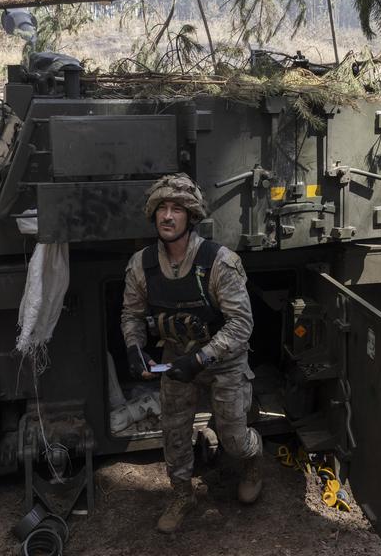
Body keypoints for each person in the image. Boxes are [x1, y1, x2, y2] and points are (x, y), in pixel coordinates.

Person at [120, 173, 263, 534]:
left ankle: (252, 459)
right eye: (162, 209)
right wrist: (135, 349)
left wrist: (201, 359)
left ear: (191, 217)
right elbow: (132, 315)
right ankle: (182, 493)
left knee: (233, 437)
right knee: (175, 433)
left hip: (224, 360)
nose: (167, 216)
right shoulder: (143, 264)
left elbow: (241, 324)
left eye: (177, 210)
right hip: (176, 356)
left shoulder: (218, 261)